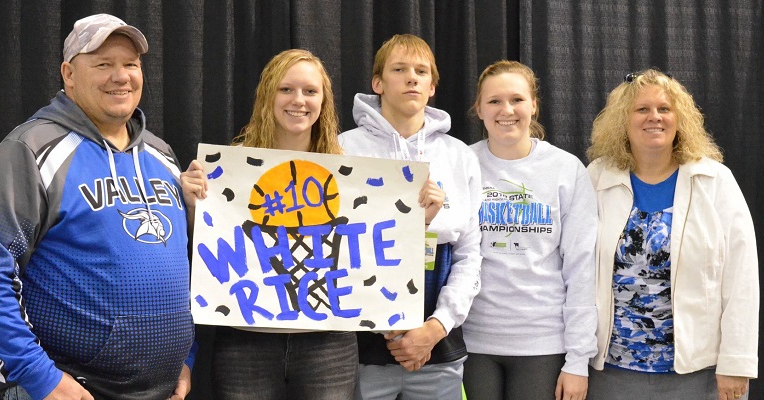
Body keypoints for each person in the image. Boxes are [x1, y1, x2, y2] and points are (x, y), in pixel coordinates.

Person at [0, 13, 208, 400]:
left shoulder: (162, 155)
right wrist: (39, 377)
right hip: (70, 389)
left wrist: (185, 357)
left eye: (130, 64)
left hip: (163, 391)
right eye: (103, 64)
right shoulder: (31, 150)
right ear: (68, 74)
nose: (121, 76)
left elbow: (182, 269)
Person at [585, 69, 759, 400]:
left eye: (664, 109)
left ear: (679, 119)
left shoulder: (714, 181)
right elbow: (576, 272)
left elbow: (742, 279)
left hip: (699, 373)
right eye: (642, 109)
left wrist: (736, 361)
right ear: (623, 120)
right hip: (613, 373)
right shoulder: (597, 178)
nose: (655, 117)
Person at [339, 34, 483, 400]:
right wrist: (386, 324)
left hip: (438, 345)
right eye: (399, 69)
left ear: (432, 87)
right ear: (378, 83)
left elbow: (469, 254)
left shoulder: (459, 156)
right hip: (361, 344)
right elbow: (333, 246)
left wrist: (436, 327)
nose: (411, 78)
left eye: (421, 72)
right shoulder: (343, 148)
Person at [210, 48, 358, 400]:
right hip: (246, 340)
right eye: (286, 89)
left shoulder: (352, 175)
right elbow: (202, 241)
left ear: (324, 101)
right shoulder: (228, 171)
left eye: (310, 91)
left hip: (328, 343)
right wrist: (192, 202)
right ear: (267, 95)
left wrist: (421, 214)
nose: (299, 100)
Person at [461, 60, 598, 400]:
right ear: (479, 108)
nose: (506, 110)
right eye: (494, 101)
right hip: (471, 341)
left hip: (543, 343)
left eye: (517, 100)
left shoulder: (566, 169)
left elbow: (582, 268)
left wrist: (578, 360)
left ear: (534, 105)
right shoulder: (461, 163)